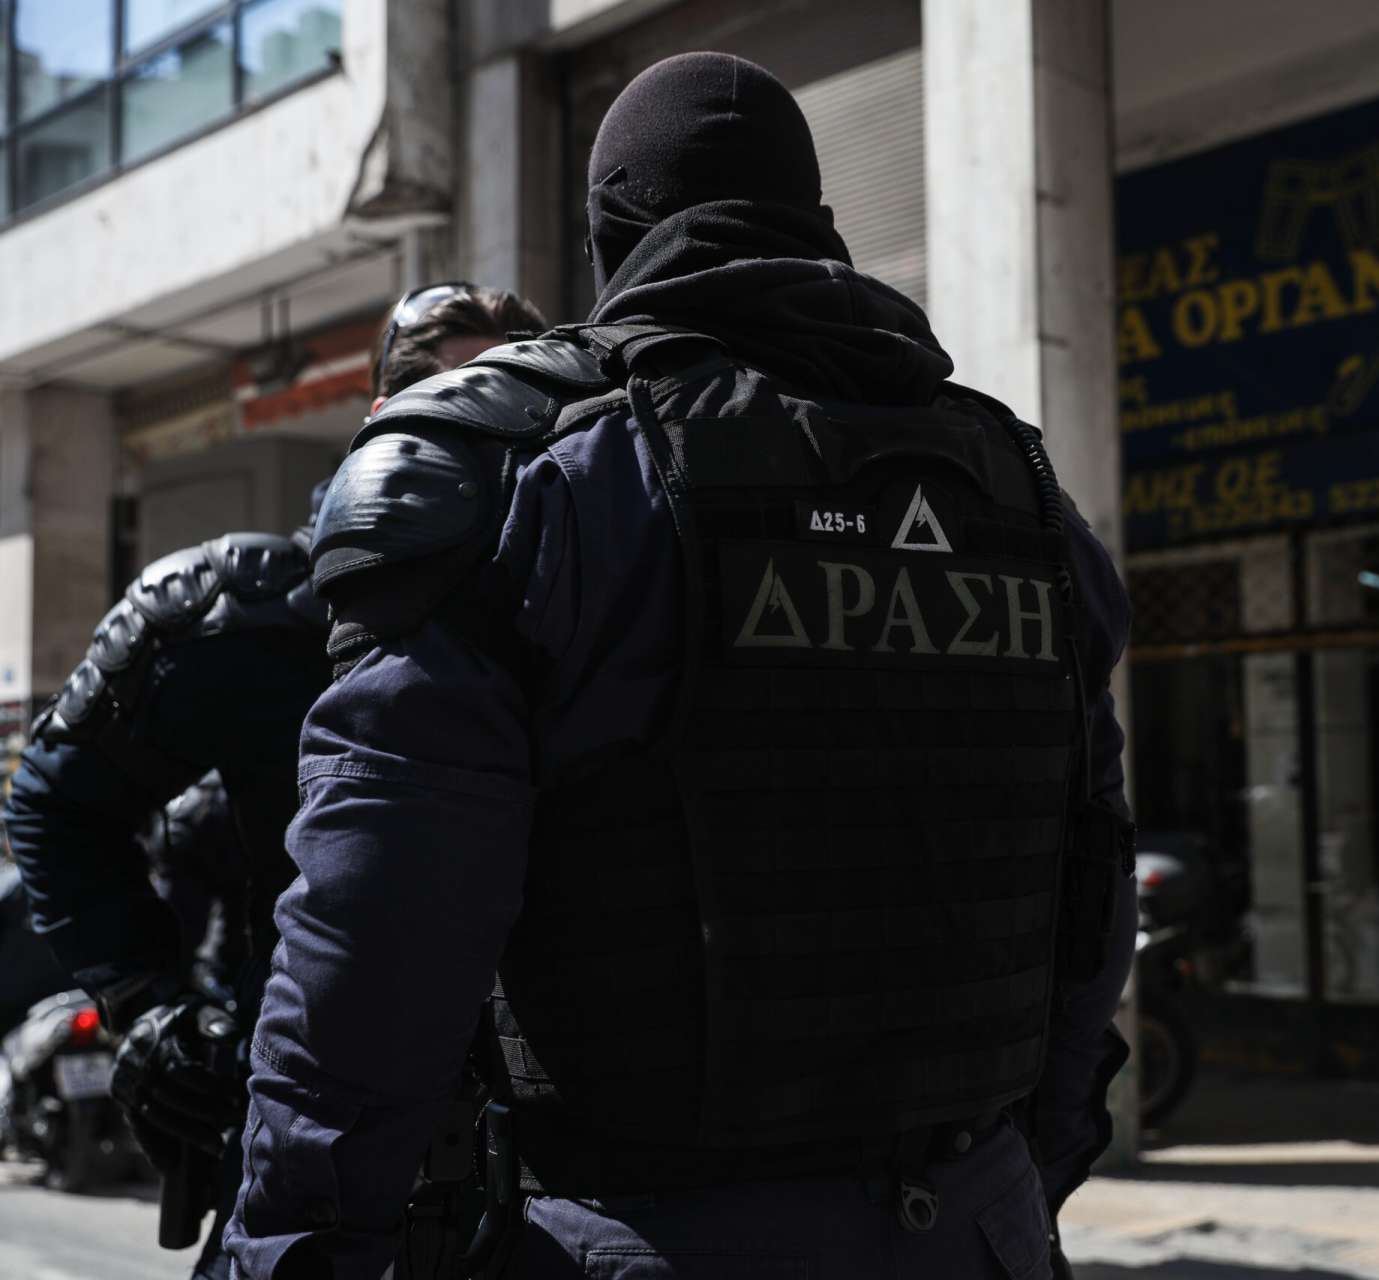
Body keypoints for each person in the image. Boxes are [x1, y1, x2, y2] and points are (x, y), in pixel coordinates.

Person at [228, 52, 1136, 1280]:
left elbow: (374, 942)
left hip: (643, 1234)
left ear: (609, 241)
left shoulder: (526, 481)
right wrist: (1014, 1189)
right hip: (985, 1227)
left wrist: (288, 1253)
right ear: (819, 222)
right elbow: (1093, 913)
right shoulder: (1027, 500)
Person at [1, 282, 548, 1280]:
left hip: (554, 1162)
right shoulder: (259, 613)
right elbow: (55, 800)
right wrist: (150, 1003)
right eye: (461, 397)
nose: (494, 433)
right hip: (307, 1147)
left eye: (519, 400)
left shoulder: (596, 598)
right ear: (384, 421)